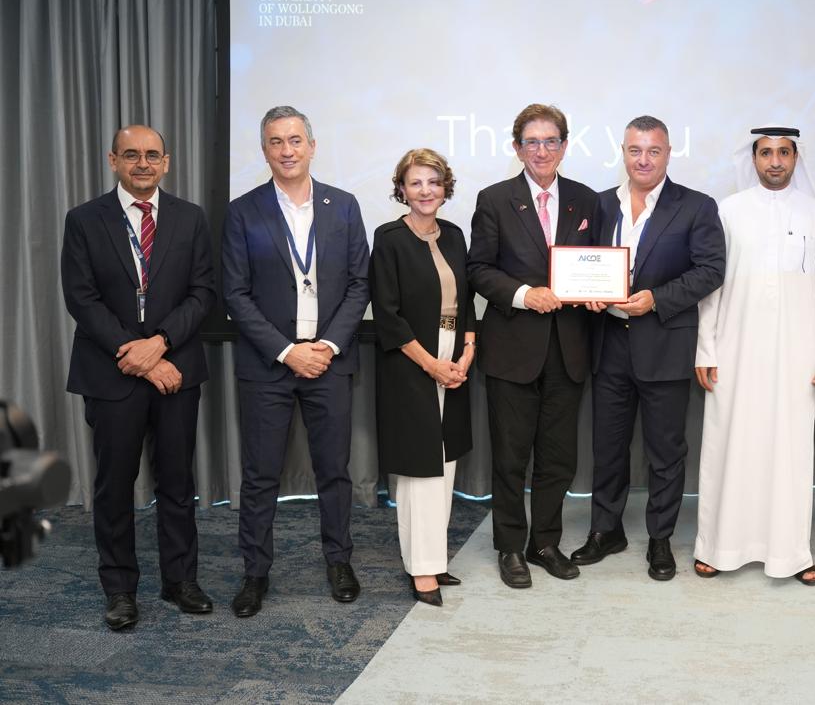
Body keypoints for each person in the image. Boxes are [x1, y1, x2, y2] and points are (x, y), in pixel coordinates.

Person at [61, 125, 215, 630]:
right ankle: (121, 590)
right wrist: (137, 352)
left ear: (166, 163)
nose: (142, 163)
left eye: (152, 155)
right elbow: (81, 298)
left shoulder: (191, 219)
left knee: (176, 482)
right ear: (113, 161)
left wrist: (161, 344)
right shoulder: (84, 220)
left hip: (176, 369)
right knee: (113, 486)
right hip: (113, 372)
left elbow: (203, 293)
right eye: (132, 155)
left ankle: (180, 581)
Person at [222, 105, 370, 618]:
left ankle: (339, 562)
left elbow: (359, 285)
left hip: (329, 361)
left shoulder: (344, 206)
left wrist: (325, 347)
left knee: (334, 470)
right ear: (264, 150)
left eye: (295, 140)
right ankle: (255, 573)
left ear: (312, 145)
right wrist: (287, 352)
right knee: (260, 475)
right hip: (269, 364)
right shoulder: (243, 212)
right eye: (275, 142)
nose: (287, 150)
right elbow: (236, 294)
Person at [570, 115, 725, 581]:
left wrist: (657, 300)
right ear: (623, 151)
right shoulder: (598, 205)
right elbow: (582, 265)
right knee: (608, 446)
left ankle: (660, 539)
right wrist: (587, 293)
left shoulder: (696, 206)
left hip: (664, 342)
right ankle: (606, 530)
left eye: (653, 151)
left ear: (668, 153)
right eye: (635, 150)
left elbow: (711, 269)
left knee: (665, 450)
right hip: (608, 342)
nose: (643, 160)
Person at [692, 126, 815, 585]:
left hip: (797, 354)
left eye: (783, 153)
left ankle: (792, 553)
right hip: (735, 351)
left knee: (790, 453)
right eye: (765, 153)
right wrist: (707, 348)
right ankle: (719, 548)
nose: (774, 161)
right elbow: (711, 286)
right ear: (753, 158)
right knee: (729, 446)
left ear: (796, 158)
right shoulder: (728, 211)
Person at [467, 103, 599, 588]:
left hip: (569, 351)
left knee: (559, 458)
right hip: (513, 349)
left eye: (551, 141)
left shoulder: (587, 200)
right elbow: (479, 269)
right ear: (516, 147)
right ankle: (509, 548)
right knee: (509, 457)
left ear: (565, 145)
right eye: (532, 142)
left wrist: (598, 293)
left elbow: (597, 262)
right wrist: (524, 295)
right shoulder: (494, 199)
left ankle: (544, 542)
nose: (542, 150)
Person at [370, 149, 475, 607]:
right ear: (403, 189)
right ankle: (420, 569)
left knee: (446, 463)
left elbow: (466, 301)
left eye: (434, 182)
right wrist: (431, 364)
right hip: (411, 361)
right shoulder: (389, 237)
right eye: (416, 183)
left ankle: (435, 558)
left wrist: (468, 351)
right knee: (419, 470)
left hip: (454, 355)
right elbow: (388, 316)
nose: (426, 191)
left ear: (445, 187)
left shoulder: (453, 235)